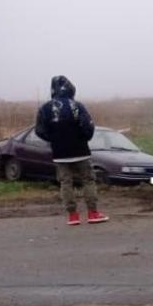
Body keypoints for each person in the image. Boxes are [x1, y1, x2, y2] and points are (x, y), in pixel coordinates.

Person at [35, 75, 109, 226]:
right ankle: (93, 214)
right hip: (80, 151)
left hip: (60, 153)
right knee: (88, 180)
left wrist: (54, 140)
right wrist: (83, 138)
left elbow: (39, 131)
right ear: (70, 89)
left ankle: (72, 216)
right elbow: (88, 127)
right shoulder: (77, 106)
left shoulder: (45, 108)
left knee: (65, 183)